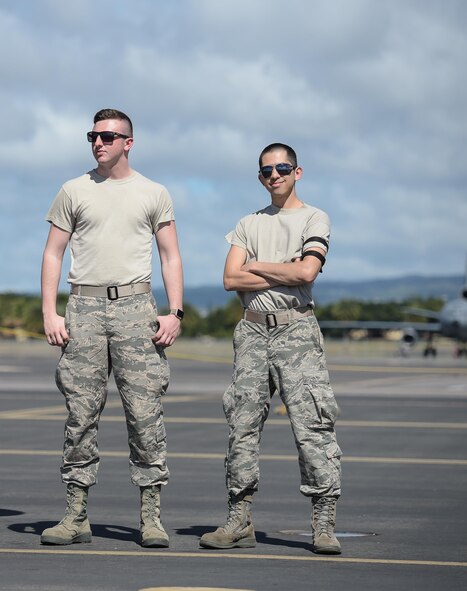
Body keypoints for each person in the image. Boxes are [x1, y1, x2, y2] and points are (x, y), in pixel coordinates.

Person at [39, 108, 184, 548]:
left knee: (144, 414)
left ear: (128, 142)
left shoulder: (153, 192)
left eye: (107, 136)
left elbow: (171, 256)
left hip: (136, 307)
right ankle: (76, 514)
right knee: (80, 414)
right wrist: (50, 312)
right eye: (92, 136)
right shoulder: (72, 190)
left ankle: (151, 517)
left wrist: (174, 312)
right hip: (83, 306)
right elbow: (52, 254)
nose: (98, 143)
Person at [199, 143, 342, 555]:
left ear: (298, 172)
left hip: (296, 331)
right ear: (260, 177)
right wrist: (282, 270)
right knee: (241, 426)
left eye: (282, 168)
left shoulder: (315, 218)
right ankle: (239, 519)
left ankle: (323, 522)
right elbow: (229, 279)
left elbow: (307, 270)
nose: (274, 175)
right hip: (252, 333)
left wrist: (256, 265)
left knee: (312, 426)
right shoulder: (248, 223)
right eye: (266, 171)